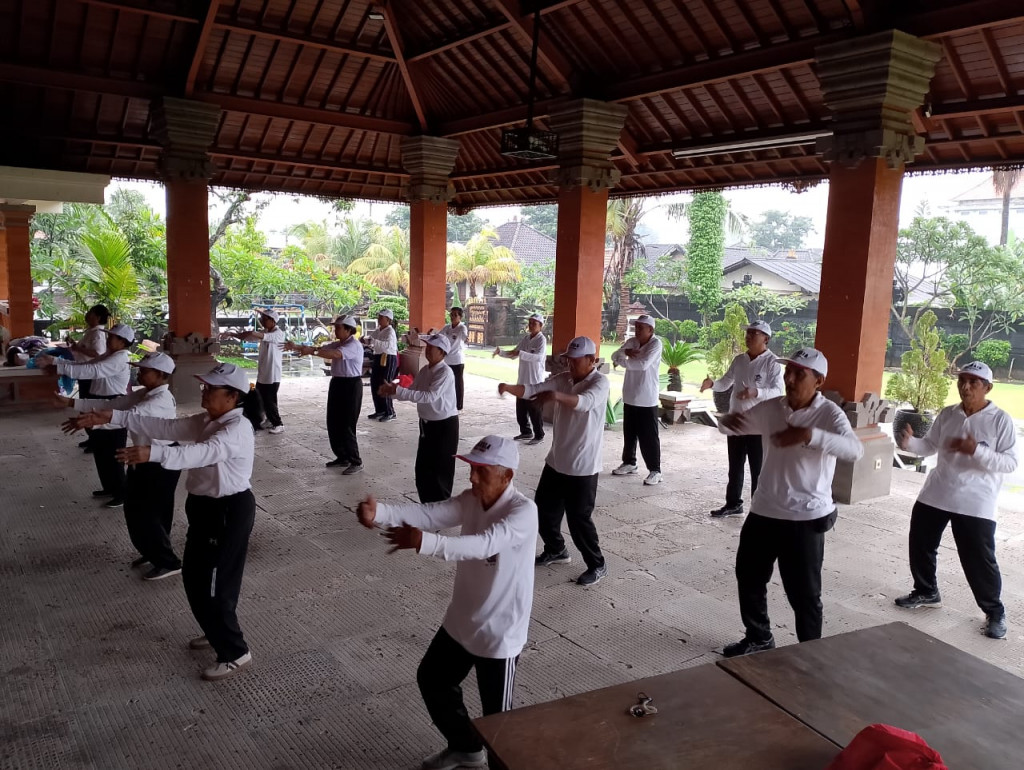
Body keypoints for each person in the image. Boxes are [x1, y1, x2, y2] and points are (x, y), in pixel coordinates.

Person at [355, 435, 537, 770]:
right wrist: (379, 512)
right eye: (471, 468)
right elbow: (430, 514)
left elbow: (483, 544)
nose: (472, 478)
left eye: (482, 471)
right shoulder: (471, 499)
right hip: (462, 619)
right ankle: (466, 748)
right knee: (433, 680)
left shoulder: (523, 512)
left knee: (499, 727)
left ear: (507, 475)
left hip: (499, 633)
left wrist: (425, 543)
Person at [74, 362, 260, 681]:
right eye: (204, 386)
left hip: (227, 511)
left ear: (232, 396)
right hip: (204, 508)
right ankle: (216, 630)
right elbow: (165, 428)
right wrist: (112, 416)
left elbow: (202, 453)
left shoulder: (235, 430)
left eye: (211, 388)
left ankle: (234, 651)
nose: (204, 392)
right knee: (196, 578)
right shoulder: (207, 420)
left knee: (215, 584)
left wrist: (154, 454)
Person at [717, 348, 863, 657]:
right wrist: (728, 421)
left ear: (819, 381)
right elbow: (736, 425)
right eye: (789, 372)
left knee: (804, 594)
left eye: (800, 374)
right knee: (749, 577)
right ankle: (759, 637)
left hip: (805, 517)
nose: (790, 379)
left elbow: (854, 450)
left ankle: (810, 655)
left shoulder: (829, 414)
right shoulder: (772, 407)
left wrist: (810, 435)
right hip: (764, 510)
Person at [893, 361, 1016, 640]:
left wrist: (976, 450)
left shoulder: (1000, 420)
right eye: (962, 380)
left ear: (987, 388)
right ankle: (926, 591)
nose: (966, 387)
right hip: (937, 491)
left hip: (976, 500)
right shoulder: (949, 413)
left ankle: (994, 611)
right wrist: (909, 443)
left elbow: (1010, 463)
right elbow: (929, 445)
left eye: (973, 382)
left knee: (978, 559)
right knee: (921, 543)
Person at [59, 352, 182, 581]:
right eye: (139, 369)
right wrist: (73, 403)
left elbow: (127, 417)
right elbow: (113, 404)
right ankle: (153, 552)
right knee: (142, 511)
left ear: (161, 374)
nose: (139, 373)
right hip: (143, 458)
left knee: (149, 514)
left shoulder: (159, 401)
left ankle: (168, 561)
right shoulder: (144, 394)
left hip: (160, 461)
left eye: (145, 370)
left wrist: (93, 421)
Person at [498, 336, 610, 586]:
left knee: (578, 520)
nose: (571, 364)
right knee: (543, 511)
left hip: (583, 466)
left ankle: (597, 564)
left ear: (591, 360)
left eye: (576, 360)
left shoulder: (600, 382)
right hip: (557, 460)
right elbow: (535, 388)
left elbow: (584, 403)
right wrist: (509, 387)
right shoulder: (564, 379)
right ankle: (556, 549)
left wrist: (556, 396)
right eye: (569, 359)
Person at [37, 323, 134, 508]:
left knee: (113, 451)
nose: (108, 340)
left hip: (112, 402)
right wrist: (56, 362)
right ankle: (109, 487)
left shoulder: (120, 358)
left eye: (112, 337)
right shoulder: (109, 355)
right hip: (98, 400)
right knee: (100, 449)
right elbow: (86, 365)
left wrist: (57, 366)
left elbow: (93, 371)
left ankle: (121, 492)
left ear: (123, 342)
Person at [700, 320, 783, 518]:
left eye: (754, 333)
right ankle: (733, 504)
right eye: (748, 333)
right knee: (735, 467)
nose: (749, 336)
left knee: (758, 471)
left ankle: (759, 510)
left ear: (766, 338)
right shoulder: (739, 360)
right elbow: (725, 383)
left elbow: (778, 391)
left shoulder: (772, 362)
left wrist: (756, 392)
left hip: (759, 427)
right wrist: (712, 384)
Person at [379, 333, 459, 503]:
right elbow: (412, 391)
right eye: (427, 346)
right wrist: (392, 392)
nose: (427, 350)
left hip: (444, 426)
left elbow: (429, 396)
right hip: (426, 425)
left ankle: (440, 509)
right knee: (423, 469)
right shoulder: (425, 370)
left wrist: (397, 390)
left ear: (442, 352)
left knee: (440, 470)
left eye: (432, 348)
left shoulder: (445, 373)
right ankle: (426, 505)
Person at [288, 315, 365, 474]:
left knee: (347, 424)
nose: (335, 330)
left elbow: (335, 354)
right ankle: (342, 457)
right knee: (333, 421)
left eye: (338, 328)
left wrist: (313, 351)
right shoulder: (339, 343)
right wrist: (296, 346)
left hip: (351, 385)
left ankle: (355, 461)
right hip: (337, 383)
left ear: (348, 330)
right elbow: (323, 349)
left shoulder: (353, 345)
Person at [611, 314, 664, 485]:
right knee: (629, 433)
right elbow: (614, 355)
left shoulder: (655, 344)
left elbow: (642, 365)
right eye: (636, 327)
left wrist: (622, 359)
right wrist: (624, 352)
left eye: (641, 328)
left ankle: (655, 470)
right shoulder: (632, 342)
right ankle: (629, 463)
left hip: (646, 398)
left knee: (649, 437)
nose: (637, 330)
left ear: (651, 330)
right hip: (630, 395)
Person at [227, 309, 286, 434]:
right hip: (264, 373)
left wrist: (251, 332)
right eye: (261, 319)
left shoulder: (278, 334)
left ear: (273, 321)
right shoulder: (265, 332)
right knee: (261, 398)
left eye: (264, 319)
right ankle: (270, 420)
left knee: (269, 400)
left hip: (272, 374)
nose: (262, 321)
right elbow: (250, 337)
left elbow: (259, 335)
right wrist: (233, 334)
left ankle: (278, 424)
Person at [493, 313, 547, 445]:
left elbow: (539, 357)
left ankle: (539, 435)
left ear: (540, 326)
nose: (531, 325)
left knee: (534, 410)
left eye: (534, 323)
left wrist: (521, 353)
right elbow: (514, 353)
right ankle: (526, 431)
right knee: (521, 409)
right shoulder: (526, 338)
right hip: (522, 379)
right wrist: (501, 353)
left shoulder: (541, 340)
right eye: (530, 323)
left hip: (534, 380)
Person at [71, 304, 111, 450]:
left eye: (91, 313)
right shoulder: (92, 331)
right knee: (86, 405)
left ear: (98, 317)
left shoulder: (98, 334)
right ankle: (92, 438)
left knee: (89, 406)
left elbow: (97, 353)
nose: (87, 315)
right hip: (84, 373)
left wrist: (78, 348)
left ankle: (95, 439)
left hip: (90, 375)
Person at [365, 308, 399, 422]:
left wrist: (372, 342)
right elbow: (371, 338)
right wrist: (366, 340)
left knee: (385, 383)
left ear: (388, 320)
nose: (379, 319)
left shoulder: (390, 331)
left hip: (388, 358)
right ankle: (379, 410)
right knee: (375, 382)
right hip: (378, 357)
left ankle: (390, 412)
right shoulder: (378, 330)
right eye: (379, 317)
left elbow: (387, 345)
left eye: (381, 317)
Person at [433, 307, 469, 411]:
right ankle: (447, 402)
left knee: (458, 383)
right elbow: (438, 336)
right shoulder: (447, 327)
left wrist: (466, 339)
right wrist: (431, 334)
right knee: (446, 382)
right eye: (451, 315)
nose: (452, 317)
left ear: (460, 317)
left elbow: (465, 337)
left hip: (457, 360)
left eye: (455, 315)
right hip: (447, 360)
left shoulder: (462, 328)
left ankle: (459, 405)